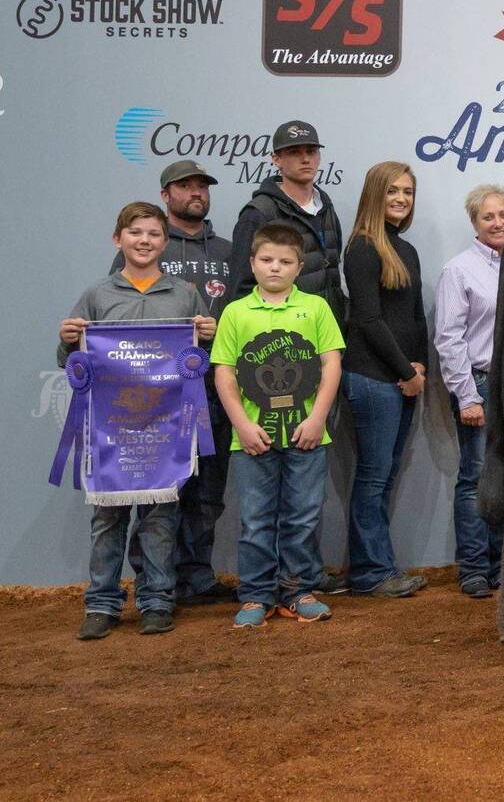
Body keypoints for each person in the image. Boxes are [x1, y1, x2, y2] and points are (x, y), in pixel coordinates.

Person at [61, 202, 215, 639]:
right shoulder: (97, 295)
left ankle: (156, 600)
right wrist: (68, 341)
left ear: (165, 242)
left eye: (153, 233)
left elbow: (200, 362)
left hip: (165, 427)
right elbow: (72, 363)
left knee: (161, 517)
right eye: (135, 232)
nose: (144, 240)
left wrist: (207, 337)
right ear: (118, 239)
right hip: (110, 428)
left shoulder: (184, 295)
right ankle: (102, 603)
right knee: (107, 519)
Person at [114, 160, 237, 607]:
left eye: (202, 186)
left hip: (214, 390)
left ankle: (197, 577)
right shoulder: (146, 247)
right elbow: (119, 318)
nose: (196, 193)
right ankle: (153, 581)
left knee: (207, 494)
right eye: (185, 186)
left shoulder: (227, 250)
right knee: (159, 492)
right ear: (166, 194)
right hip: (157, 398)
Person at [211, 222, 344, 628]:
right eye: (266, 260)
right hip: (254, 436)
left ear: (299, 266)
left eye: (285, 261)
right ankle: (255, 594)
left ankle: (297, 590)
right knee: (255, 517)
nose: (275, 268)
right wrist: (242, 425)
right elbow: (224, 372)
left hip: (306, 433)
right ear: (251, 263)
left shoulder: (316, 308)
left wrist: (318, 416)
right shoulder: (236, 312)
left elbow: (331, 363)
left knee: (303, 515)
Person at [342, 161, 430, 598]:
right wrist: (403, 371)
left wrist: (420, 367)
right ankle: (370, 572)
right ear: (375, 194)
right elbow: (369, 320)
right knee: (373, 478)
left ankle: (376, 567)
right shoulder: (361, 248)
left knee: (384, 476)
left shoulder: (405, 249)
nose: (401, 199)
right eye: (393, 191)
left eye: (408, 192)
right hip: (373, 379)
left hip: (403, 379)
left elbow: (414, 317)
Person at [434, 184, 504, 598]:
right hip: (480, 382)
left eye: (503, 214)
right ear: (474, 223)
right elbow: (449, 339)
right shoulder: (459, 269)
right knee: (476, 477)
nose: (498, 222)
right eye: (488, 217)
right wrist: (467, 395)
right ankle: (474, 569)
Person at [229, 120, 346, 321]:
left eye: (311, 151)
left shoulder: (326, 207)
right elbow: (242, 286)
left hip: (329, 330)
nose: (305, 159)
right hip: (281, 338)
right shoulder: (259, 212)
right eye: (294, 152)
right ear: (276, 159)